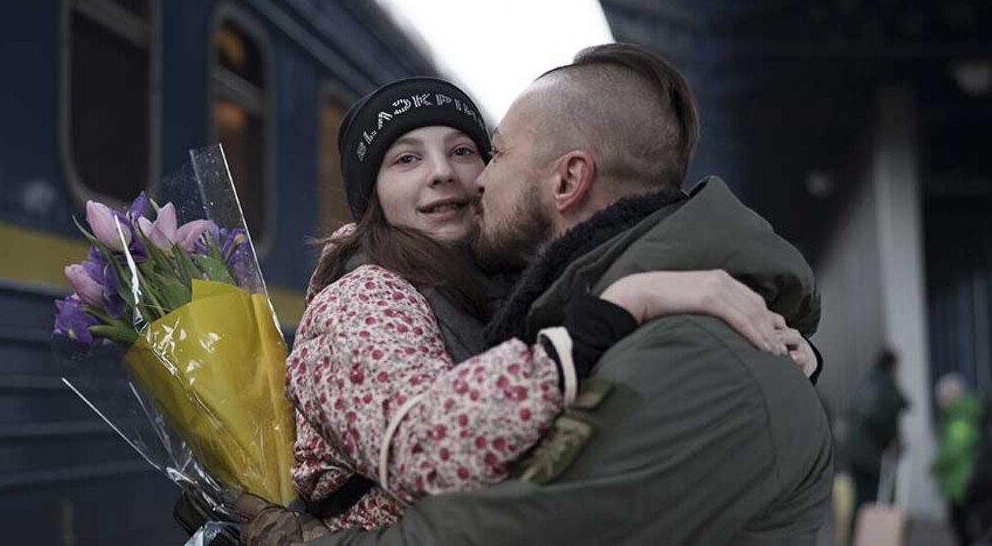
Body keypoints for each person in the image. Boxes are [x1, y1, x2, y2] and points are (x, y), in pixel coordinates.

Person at [248, 42, 834, 545]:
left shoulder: (516, 296)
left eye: (473, 152)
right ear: (370, 198)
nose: (456, 176)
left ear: (566, 180)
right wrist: (616, 312)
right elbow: (428, 448)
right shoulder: (364, 298)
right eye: (405, 159)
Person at [846, 349, 909, 529]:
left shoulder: (866, 382)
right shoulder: (885, 384)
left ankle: (858, 537)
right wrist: (892, 438)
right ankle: (872, 536)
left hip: (856, 452)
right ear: (892, 365)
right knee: (874, 499)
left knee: (862, 499)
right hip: (871, 454)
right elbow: (878, 415)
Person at [932, 373, 983, 546]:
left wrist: (936, 465)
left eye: (943, 398)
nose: (941, 402)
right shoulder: (959, 416)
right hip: (963, 482)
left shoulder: (960, 418)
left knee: (965, 530)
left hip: (963, 483)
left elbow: (954, 448)